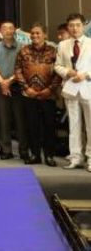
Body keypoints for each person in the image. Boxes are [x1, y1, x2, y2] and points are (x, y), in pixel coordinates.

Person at [15, 22, 61, 166]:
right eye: (33, 33)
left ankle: (49, 156)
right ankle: (35, 155)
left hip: (48, 95)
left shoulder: (53, 51)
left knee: (49, 126)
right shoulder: (23, 51)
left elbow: (58, 72)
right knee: (32, 125)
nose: (35, 35)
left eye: (38, 33)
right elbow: (18, 70)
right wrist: (26, 88)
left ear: (45, 35)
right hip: (29, 95)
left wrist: (50, 89)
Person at [55, 13, 91, 170]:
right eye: (71, 25)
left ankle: (90, 158)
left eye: (77, 25)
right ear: (68, 27)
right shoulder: (63, 45)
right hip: (70, 89)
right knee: (74, 126)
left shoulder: (90, 43)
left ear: (83, 26)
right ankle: (75, 157)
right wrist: (67, 72)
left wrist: (86, 75)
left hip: (88, 87)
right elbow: (57, 66)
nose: (74, 28)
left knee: (90, 126)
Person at [0, 20, 26, 160]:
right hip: (0, 85)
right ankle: (6, 150)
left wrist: (10, 81)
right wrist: (2, 82)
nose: (8, 31)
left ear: (14, 30)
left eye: (10, 28)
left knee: (20, 119)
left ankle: (24, 150)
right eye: (5, 28)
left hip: (18, 85)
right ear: (0, 31)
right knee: (3, 119)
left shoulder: (22, 47)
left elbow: (24, 67)